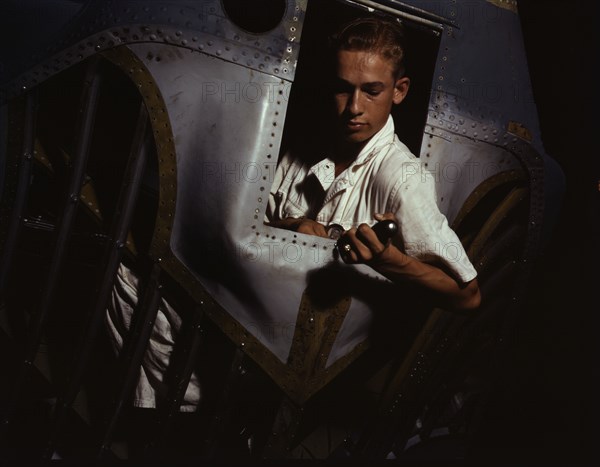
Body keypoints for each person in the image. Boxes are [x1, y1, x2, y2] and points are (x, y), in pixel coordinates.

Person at [266, 16, 480, 312]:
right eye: (343, 89)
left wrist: (388, 260)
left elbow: (468, 296)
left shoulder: (404, 178)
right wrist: (292, 226)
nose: (354, 107)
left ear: (399, 90)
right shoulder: (301, 150)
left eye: (371, 91)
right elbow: (249, 229)